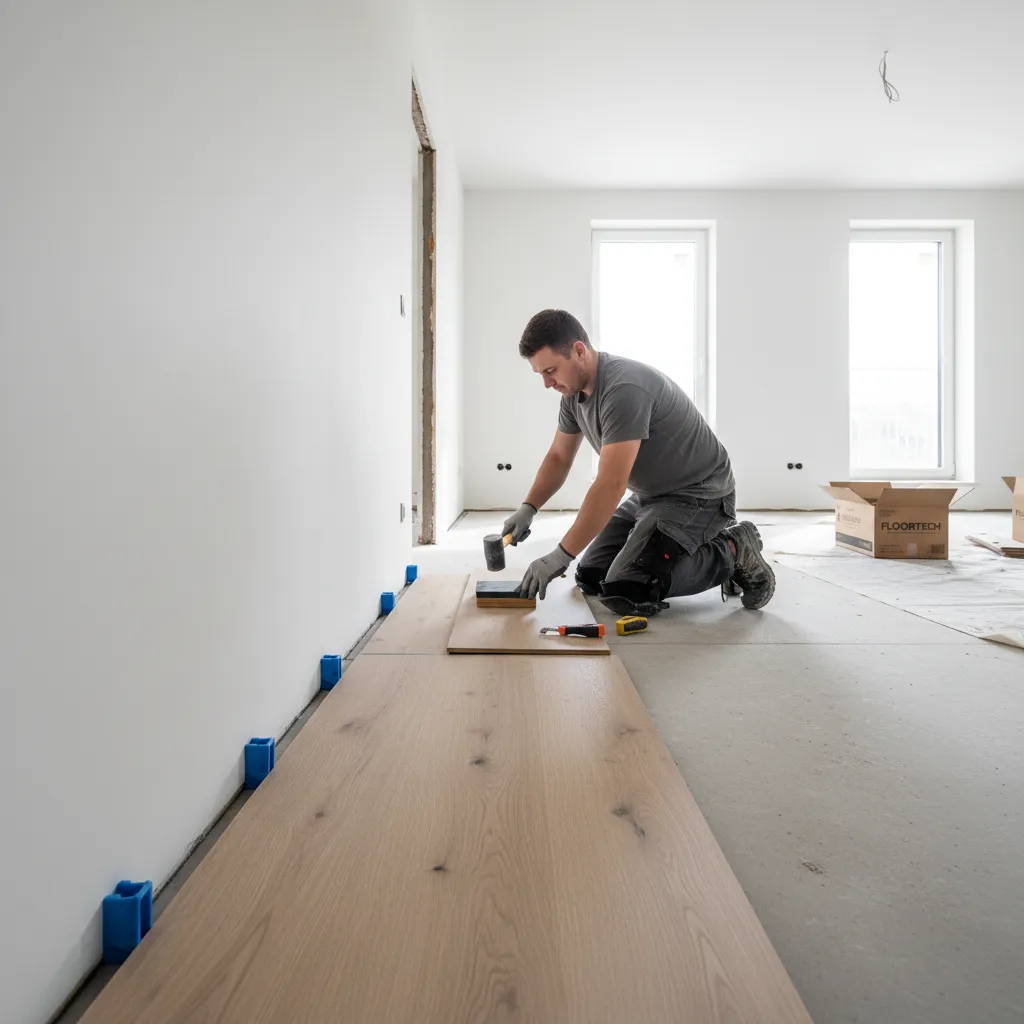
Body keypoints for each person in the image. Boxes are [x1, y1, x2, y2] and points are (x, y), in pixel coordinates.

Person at [505, 308, 775, 616]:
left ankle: (734, 549)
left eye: (551, 370)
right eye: (540, 374)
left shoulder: (623, 390)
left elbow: (610, 484)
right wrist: (529, 508)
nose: (547, 383)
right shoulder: (573, 394)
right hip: (650, 496)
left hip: (699, 494)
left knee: (629, 588)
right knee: (592, 577)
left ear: (579, 350)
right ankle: (667, 546)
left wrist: (559, 556)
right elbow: (558, 457)